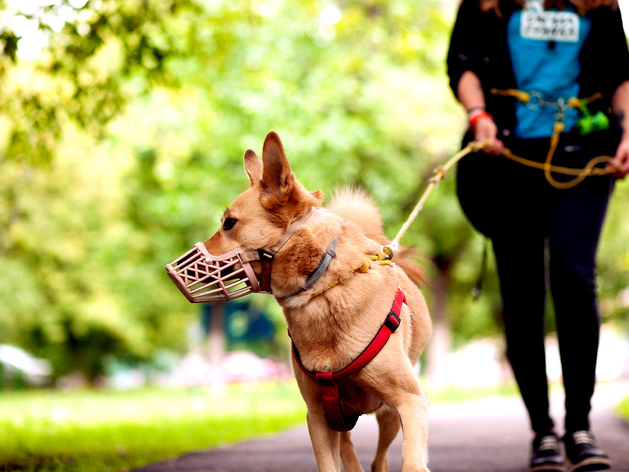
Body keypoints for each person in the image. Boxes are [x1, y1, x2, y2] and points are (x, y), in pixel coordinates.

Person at [447, 1, 629, 471]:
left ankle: (580, 426)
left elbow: (619, 74)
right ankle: (542, 431)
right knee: (522, 290)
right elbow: (462, 64)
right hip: (506, 155)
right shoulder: (485, 3)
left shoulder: (600, 4)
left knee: (574, 277)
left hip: (584, 153)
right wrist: (478, 116)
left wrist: (627, 129)